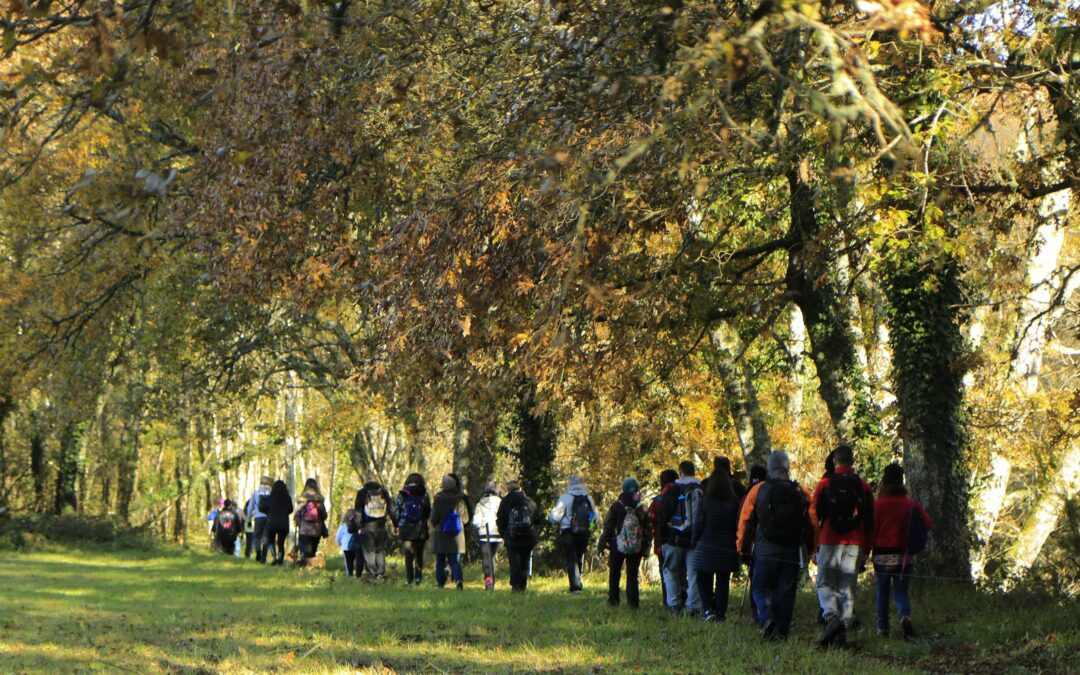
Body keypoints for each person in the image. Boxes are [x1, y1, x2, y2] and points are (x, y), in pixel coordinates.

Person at [738, 451, 814, 640]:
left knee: (760, 588)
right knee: (786, 592)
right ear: (787, 468)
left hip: (765, 548)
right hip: (791, 550)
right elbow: (812, 522)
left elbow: (745, 521)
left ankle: (767, 617)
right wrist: (811, 549)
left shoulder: (758, 490)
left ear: (769, 469)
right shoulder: (801, 491)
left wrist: (742, 549)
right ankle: (781, 632)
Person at [811, 444, 875, 648]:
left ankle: (831, 618)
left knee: (824, 583)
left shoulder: (824, 484)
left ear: (835, 462)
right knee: (847, 586)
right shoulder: (863, 486)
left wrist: (814, 544)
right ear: (852, 461)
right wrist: (867, 548)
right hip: (855, 541)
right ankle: (844, 629)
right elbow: (871, 519)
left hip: (829, 538)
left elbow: (814, 515)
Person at [871, 463, 932, 639]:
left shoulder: (878, 505)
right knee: (901, 592)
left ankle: (882, 629)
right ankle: (904, 616)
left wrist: (867, 551)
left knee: (882, 592)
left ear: (884, 482)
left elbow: (872, 530)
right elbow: (927, 523)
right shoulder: (911, 504)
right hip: (904, 556)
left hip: (881, 555)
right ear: (902, 481)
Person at [692, 463, 740, 622]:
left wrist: (694, 540)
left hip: (706, 546)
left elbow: (698, 523)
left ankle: (707, 609)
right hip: (726, 547)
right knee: (723, 581)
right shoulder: (733, 503)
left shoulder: (705, 501)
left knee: (702, 578)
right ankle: (720, 612)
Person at [597, 477, 651, 609]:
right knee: (632, 575)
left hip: (617, 545)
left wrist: (601, 545)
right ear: (637, 490)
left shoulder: (616, 506)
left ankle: (613, 600)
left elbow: (608, 527)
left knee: (614, 573)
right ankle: (633, 603)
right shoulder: (642, 508)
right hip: (636, 546)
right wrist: (646, 549)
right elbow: (648, 530)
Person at [657, 460, 703, 614]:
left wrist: (663, 538)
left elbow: (663, 514)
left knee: (671, 572)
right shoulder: (700, 489)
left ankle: (674, 604)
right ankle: (693, 606)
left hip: (673, 539)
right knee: (694, 574)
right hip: (693, 540)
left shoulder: (673, 489)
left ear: (680, 472)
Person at [549, 475, 595, 594]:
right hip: (584, 532)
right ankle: (577, 582)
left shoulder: (565, 497)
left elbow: (556, 516)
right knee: (578, 558)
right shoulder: (588, 498)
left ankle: (575, 587)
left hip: (568, 531)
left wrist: (551, 518)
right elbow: (595, 517)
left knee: (571, 558)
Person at [496, 480, 540, 592]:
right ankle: (523, 585)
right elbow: (538, 519)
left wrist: (504, 535)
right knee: (525, 561)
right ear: (520, 488)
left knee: (514, 563)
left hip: (512, 537)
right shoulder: (529, 501)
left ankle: (516, 586)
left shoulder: (505, 502)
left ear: (508, 489)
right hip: (527, 536)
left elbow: (500, 520)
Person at [430, 473, 470, 589]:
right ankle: (458, 580)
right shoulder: (460, 498)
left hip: (441, 533)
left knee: (440, 561)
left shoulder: (438, 499)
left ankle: (440, 583)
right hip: (456, 535)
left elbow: (433, 518)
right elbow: (466, 518)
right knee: (455, 561)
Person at [354, 473, 396, 580]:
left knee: (369, 551)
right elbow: (391, 508)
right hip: (381, 525)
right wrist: (396, 523)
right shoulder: (383, 491)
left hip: (367, 526)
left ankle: (371, 573)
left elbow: (358, 511)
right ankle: (380, 572)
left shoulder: (362, 493)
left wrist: (358, 526)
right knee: (380, 550)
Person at [649, 469, 678, 608]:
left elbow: (652, 520)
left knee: (666, 572)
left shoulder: (658, 500)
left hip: (663, 542)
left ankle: (668, 602)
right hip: (684, 541)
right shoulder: (682, 494)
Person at [396, 473, 432, 585]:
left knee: (408, 556)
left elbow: (398, 511)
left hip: (406, 528)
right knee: (419, 554)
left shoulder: (402, 494)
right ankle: (418, 578)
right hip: (420, 528)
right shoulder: (424, 494)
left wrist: (398, 523)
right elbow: (428, 511)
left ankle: (409, 578)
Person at [746, 464, 768, 623]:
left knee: (756, 580)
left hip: (756, 542)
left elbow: (744, 520)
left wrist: (743, 546)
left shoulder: (751, 492)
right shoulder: (769, 490)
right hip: (774, 540)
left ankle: (757, 612)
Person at [473, 476, 503, 591]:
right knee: (492, 558)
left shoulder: (481, 503)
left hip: (484, 534)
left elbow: (476, 521)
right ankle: (492, 581)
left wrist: (478, 525)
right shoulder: (501, 502)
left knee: (486, 560)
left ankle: (489, 583)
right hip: (497, 534)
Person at [295, 478, 328, 561]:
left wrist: (300, 524)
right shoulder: (319, 500)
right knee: (313, 552)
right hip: (316, 530)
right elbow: (324, 516)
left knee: (305, 552)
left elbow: (297, 514)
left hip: (304, 530)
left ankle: (304, 569)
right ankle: (312, 568)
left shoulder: (302, 499)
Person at [264, 480, 293, 565]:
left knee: (270, 540)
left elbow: (263, 507)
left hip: (271, 522)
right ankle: (280, 559)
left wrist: (268, 512)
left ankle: (274, 556)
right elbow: (290, 509)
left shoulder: (270, 498)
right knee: (281, 543)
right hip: (283, 523)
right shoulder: (287, 498)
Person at [245, 476, 273, 562]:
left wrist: (248, 519)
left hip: (258, 517)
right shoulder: (272, 493)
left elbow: (250, 508)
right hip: (269, 518)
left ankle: (258, 552)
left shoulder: (256, 493)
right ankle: (264, 555)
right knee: (267, 537)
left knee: (257, 536)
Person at [336, 509, 359, 576]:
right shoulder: (358, 525)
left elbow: (338, 536)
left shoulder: (343, 525)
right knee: (357, 560)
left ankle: (350, 574)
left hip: (346, 547)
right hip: (356, 545)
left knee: (348, 561)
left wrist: (339, 543)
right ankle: (358, 573)